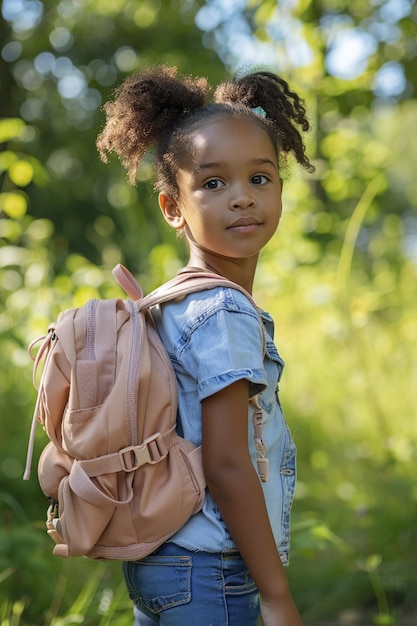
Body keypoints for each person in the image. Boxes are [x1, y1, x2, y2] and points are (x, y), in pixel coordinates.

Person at [96, 65, 314, 626]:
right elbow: (225, 462)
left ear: (281, 190)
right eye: (213, 184)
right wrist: (277, 593)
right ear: (173, 207)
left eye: (259, 178)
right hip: (209, 568)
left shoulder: (174, 302)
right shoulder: (224, 313)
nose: (241, 198)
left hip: (159, 558)